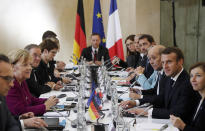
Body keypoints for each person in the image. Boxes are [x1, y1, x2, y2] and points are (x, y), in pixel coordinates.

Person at [120, 47, 198, 124]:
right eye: (163, 62)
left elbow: (177, 113)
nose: (165, 66)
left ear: (180, 62)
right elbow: (161, 98)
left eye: (169, 62)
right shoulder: (170, 76)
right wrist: (136, 102)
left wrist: (147, 112)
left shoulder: (188, 83)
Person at [0, 54, 47, 130]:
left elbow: (9, 122)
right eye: (7, 78)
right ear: (13, 67)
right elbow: (18, 110)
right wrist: (44, 106)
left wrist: (21, 119)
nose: (12, 84)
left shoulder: (1, 98)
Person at [6, 49, 58, 116]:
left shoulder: (22, 81)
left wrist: (48, 100)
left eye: (30, 64)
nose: (30, 68)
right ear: (12, 67)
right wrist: (45, 106)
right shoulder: (10, 85)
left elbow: (31, 100)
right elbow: (19, 111)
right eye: (25, 65)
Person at [170, 62, 205, 131]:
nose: (193, 79)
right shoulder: (198, 98)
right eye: (191, 76)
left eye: (198, 75)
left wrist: (182, 126)